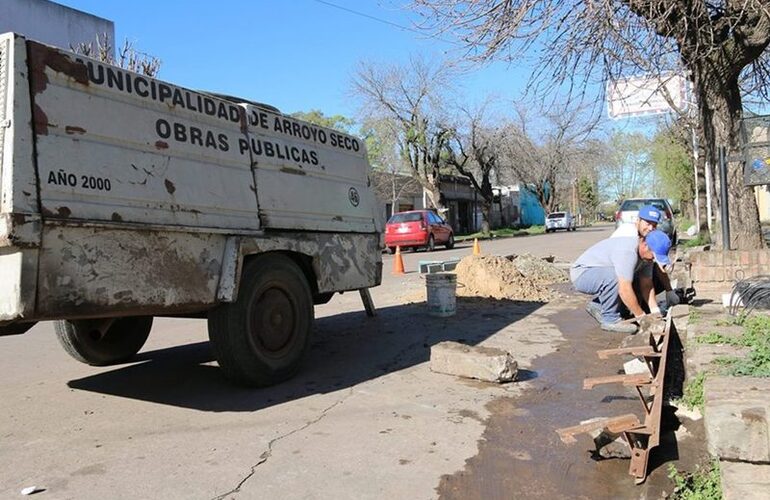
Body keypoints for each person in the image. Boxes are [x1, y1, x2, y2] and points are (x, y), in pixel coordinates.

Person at [571, 229, 672, 334]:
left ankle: (598, 305)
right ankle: (610, 319)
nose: (652, 259)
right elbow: (624, 289)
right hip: (583, 274)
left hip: (602, 273)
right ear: (645, 244)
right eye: (653, 255)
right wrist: (641, 317)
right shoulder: (628, 252)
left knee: (629, 279)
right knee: (617, 278)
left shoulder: (646, 257)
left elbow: (646, 285)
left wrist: (655, 311)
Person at [611, 204, 679, 311]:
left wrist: (669, 291)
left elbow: (648, 278)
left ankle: (643, 304)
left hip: (632, 273)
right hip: (616, 276)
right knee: (625, 305)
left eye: (654, 225)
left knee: (654, 271)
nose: (650, 228)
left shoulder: (648, 238)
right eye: (647, 223)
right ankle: (617, 307)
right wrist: (639, 314)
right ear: (638, 220)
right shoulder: (628, 234)